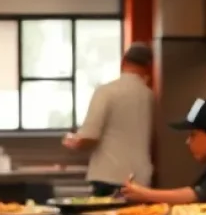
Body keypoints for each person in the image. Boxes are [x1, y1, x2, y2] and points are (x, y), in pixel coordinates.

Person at [63, 42, 154, 196]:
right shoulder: (149, 96)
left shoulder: (106, 92)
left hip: (109, 178)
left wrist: (72, 140)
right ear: (148, 66)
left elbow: (90, 136)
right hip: (141, 179)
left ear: (123, 61)